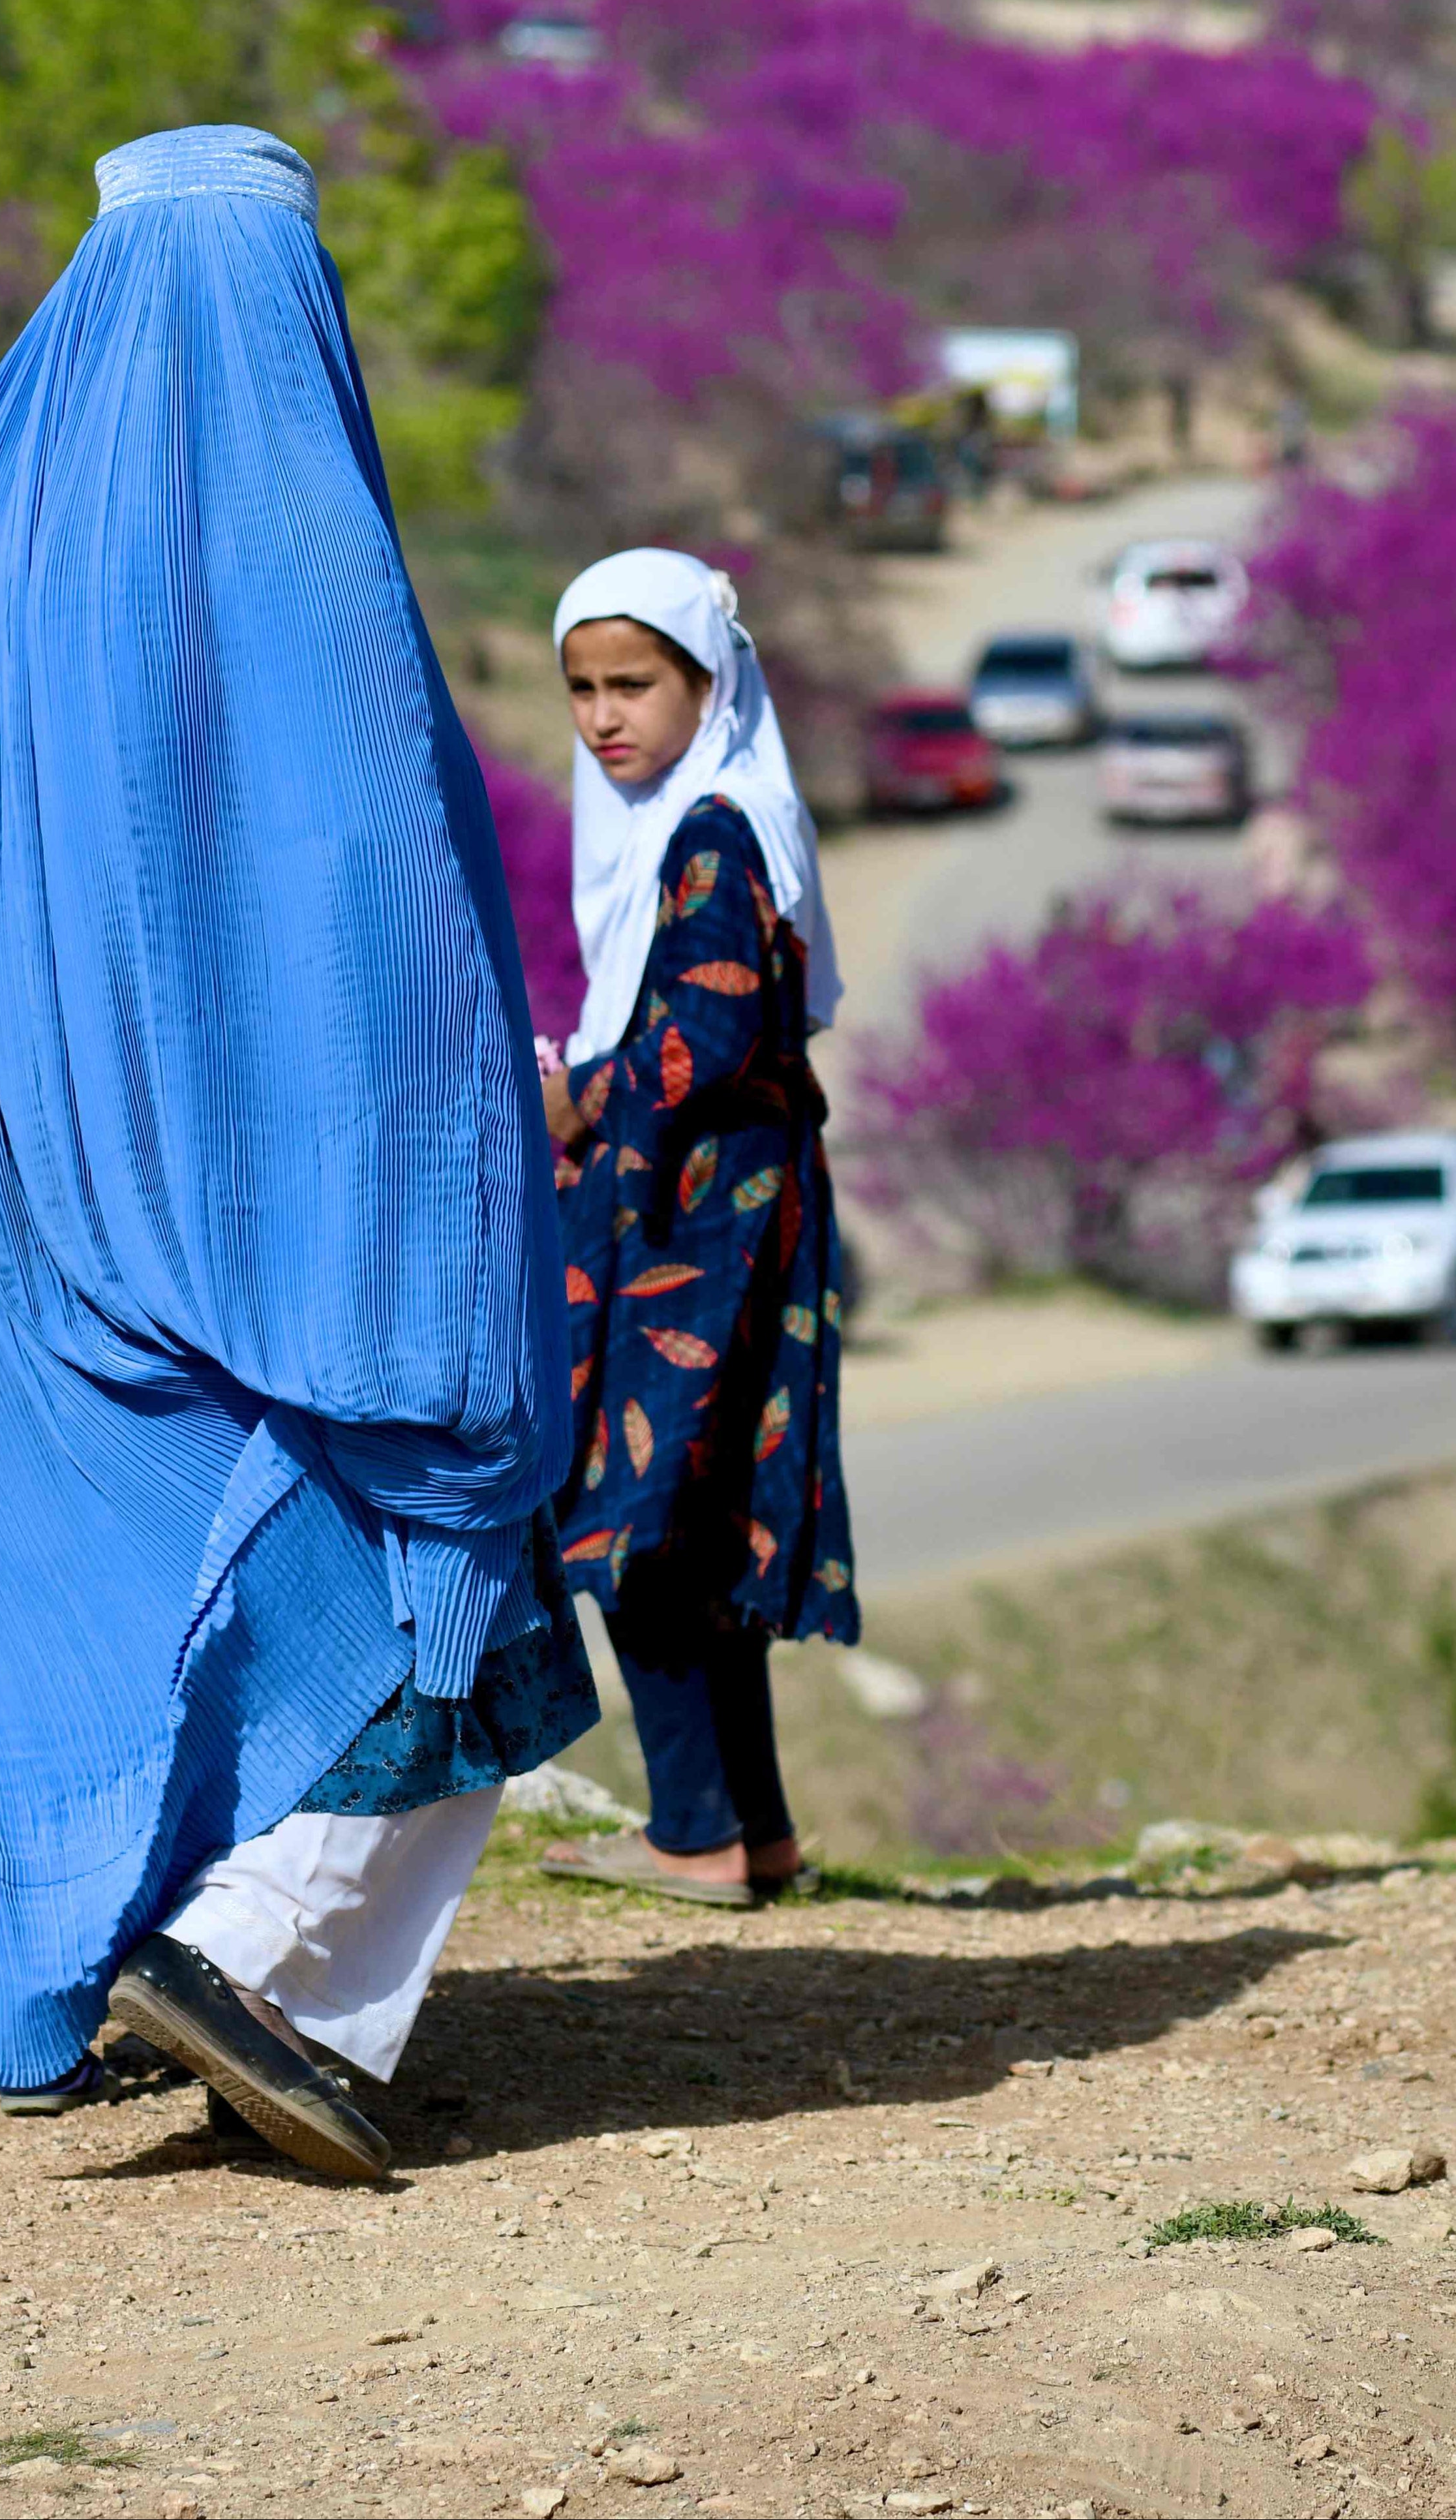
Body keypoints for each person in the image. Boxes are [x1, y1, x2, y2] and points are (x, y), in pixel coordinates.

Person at [0, 124, 590, 2185]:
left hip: (16, 1242)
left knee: (126, 1576)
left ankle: (108, 1972)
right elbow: (377, 914)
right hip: (287, 1233)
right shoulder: (290, 539)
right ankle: (256, 1966)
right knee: (439, 1550)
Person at [534, 550, 857, 1911]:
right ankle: (750, 1829)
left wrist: (574, 1095)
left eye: (637, 684)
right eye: (583, 688)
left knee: (641, 1508)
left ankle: (693, 1831)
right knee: (698, 1511)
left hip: (695, 1217)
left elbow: (708, 1034)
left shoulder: (714, 830)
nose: (607, 716)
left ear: (709, 683)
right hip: (718, 1203)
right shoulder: (703, 821)